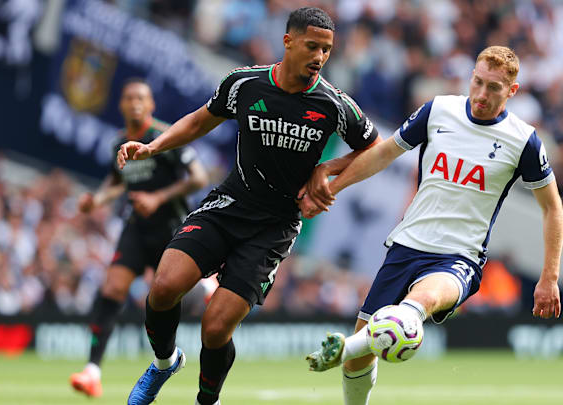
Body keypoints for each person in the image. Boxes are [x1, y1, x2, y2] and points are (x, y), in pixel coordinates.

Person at [117, 7, 380, 405]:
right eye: (312, 46)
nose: (319, 57)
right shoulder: (245, 83)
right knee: (165, 286)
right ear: (288, 41)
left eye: (327, 50)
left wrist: (330, 170)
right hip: (228, 204)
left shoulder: (333, 103)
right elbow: (199, 121)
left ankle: (208, 401)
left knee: (215, 327)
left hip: (273, 227)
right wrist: (154, 146)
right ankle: (164, 363)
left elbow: (374, 147)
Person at [305, 46, 563, 405]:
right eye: (478, 82)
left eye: (494, 87)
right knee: (358, 364)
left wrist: (549, 276)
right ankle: (350, 355)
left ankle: (341, 348)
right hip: (407, 245)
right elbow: (383, 153)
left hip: (459, 257)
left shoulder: (523, 140)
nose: (482, 94)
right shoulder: (438, 110)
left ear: (512, 91)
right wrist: (332, 187)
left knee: (419, 303)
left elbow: (553, 208)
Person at [69, 78, 209, 398]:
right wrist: (98, 200)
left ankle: (202, 290)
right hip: (137, 227)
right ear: (121, 104)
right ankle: (92, 371)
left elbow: (199, 177)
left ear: (151, 105)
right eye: (129, 97)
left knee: (167, 297)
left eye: (141, 98)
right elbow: (119, 181)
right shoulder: (118, 142)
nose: (135, 103)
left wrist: (158, 198)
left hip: (170, 228)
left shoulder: (165, 137)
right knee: (112, 288)